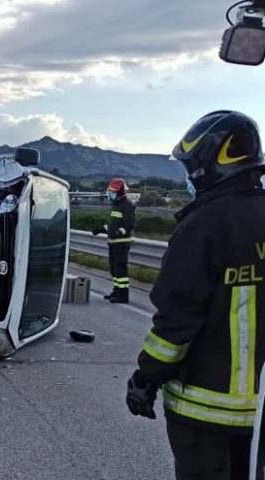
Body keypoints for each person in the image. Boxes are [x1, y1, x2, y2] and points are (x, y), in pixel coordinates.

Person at [126, 110, 265, 479]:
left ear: (206, 166)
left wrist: (145, 379)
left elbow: (176, 322)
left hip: (206, 410)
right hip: (261, 414)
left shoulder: (203, 226)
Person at [91, 177, 136, 303]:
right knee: (114, 268)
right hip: (113, 242)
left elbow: (129, 225)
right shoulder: (116, 205)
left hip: (121, 243)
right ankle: (116, 291)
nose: (110, 195)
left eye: (112, 193)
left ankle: (123, 295)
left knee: (120, 268)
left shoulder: (127, 205)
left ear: (120, 193)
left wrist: (118, 233)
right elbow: (113, 225)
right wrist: (101, 229)